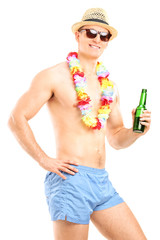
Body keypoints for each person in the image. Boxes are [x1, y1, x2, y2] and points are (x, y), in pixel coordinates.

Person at [8, 7, 151, 240]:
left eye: (103, 35)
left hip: (101, 181)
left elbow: (115, 137)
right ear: (78, 35)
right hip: (71, 179)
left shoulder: (110, 87)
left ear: (108, 41)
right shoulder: (53, 76)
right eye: (91, 33)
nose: (97, 39)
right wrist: (44, 160)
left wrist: (137, 133)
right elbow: (17, 118)